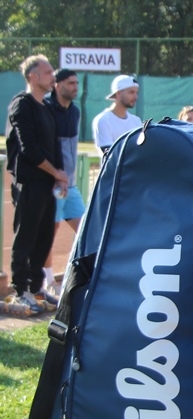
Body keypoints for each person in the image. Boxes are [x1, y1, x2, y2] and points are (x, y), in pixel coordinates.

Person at [6, 54, 68, 314]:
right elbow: (28, 148)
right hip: (29, 182)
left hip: (47, 184)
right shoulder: (22, 104)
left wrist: (59, 175)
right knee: (26, 236)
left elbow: (54, 146)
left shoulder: (47, 108)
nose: (53, 77)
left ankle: (36, 287)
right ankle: (21, 290)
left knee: (44, 238)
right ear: (33, 76)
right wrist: (55, 172)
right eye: (48, 72)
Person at [44, 68, 86, 294]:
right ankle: (49, 282)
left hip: (71, 186)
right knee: (48, 234)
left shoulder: (75, 111)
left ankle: (78, 275)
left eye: (77, 83)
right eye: (70, 83)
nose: (75, 87)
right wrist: (55, 175)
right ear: (57, 85)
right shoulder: (46, 109)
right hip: (53, 185)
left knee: (87, 230)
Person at [92, 74, 141, 155]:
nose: (136, 97)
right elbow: (111, 155)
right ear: (118, 93)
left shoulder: (136, 121)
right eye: (131, 92)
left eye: (136, 93)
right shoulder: (103, 120)